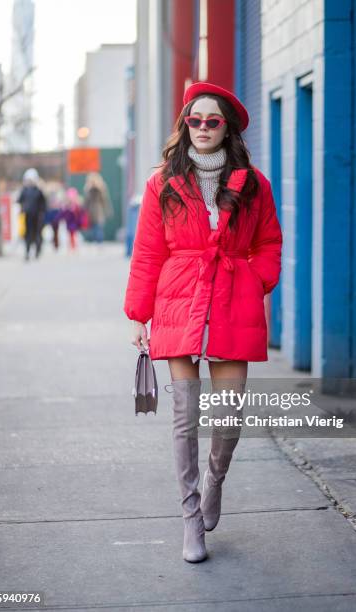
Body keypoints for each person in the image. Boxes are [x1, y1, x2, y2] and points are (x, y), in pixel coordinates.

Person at [123, 82, 283, 563]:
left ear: (227, 127)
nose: (204, 128)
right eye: (196, 120)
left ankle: (215, 481)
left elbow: (269, 243)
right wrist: (139, 313)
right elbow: (148, 251)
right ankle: (191, 518)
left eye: (214, 121)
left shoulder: (254, 184)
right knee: (184, 418)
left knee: (228, 416)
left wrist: (256, 280)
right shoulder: (162, 183)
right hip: (178, 298)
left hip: (234, 296)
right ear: (185, 125)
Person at [17, 168, 48, 261]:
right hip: (27, 216)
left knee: (37, 234)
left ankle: (37, 250)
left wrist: (42, 214)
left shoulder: (39, 191)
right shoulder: (24, 190)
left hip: (37, 216)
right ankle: (27, 252)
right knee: (28, 234)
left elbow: (44, 204)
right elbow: (19, 200)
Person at [83, 172, 113, 243]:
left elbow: (105, 200)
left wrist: (107, 210)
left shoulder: (101, 189)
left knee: (98, 227)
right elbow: (86, 201)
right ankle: (95, 241)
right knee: (93, 227)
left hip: (99, 210)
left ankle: (99, 242)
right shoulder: (88, 189)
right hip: (91, 211)